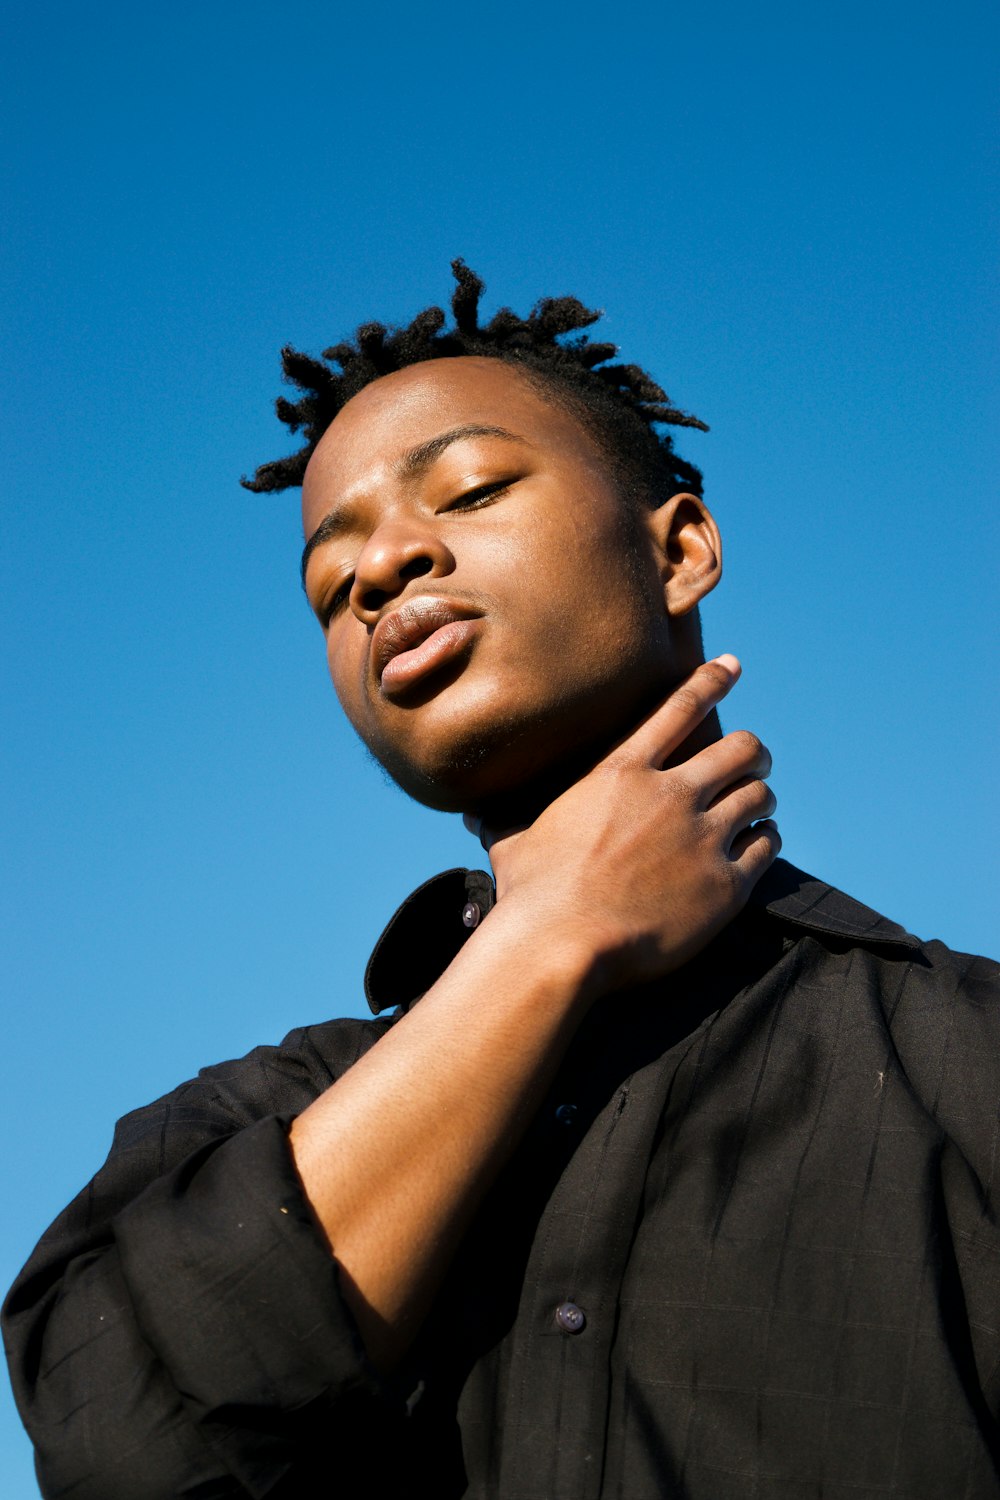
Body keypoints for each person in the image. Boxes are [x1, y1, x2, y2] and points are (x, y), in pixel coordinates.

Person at [4, 262, 998, 1500]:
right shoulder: (237, 1127)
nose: (378, 573)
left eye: (467, 490)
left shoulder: (965, 1065)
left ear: (681, 549)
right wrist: (549, 935)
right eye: (330, 584)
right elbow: (123, 1448)